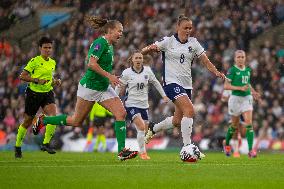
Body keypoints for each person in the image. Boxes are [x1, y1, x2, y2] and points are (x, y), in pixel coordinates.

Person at [32, 16, 138, 160]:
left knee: (121, 113)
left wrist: (111, 77)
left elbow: (102, 66)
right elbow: (91, 64)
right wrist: (109, 76)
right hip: (90, 87)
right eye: (119, 31)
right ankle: (44, 121)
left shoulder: (110, 46)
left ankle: (121, 151)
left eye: (122, 32)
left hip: (103, 88)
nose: (121, 34)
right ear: (110, 30)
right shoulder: (100, 43)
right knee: (76, 121)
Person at [141, 15, 225, 160]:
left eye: (190, 28)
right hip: (171, 83)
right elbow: (144, 50)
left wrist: (216, 71)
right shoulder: (168, 41)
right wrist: (149, 49)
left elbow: (206, 61)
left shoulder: (194, 43)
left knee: (176, 121)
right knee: (190, 110)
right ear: (178, 27)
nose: (188, 30)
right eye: (185, 27)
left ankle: (153, 128)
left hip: (187, 86)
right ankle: (187, 147)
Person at [115, 52, 169, 160]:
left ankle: (142, 151)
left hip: (144, 105)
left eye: (140, 58)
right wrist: (114, 99)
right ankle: (143, 153)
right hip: (131, 104)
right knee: (141, 127)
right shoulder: (127, 73)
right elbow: (119, 86)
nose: (139, 60)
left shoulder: (148, 71)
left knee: (143, 130)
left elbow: (156, 83)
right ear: (132, 60)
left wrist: (164, 96)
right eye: (136, 58)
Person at [15, 36, 61, 158]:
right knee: (27, 121)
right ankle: (18, 146)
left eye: (50, 48)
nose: (48, 50)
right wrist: (36, 80)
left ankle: (46, 143)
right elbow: (22, 76)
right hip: (33, 94)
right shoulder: (34, 61)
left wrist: (55, 82)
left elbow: (48, 80)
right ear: (40, 48)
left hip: (47, 93)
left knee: (53, 116)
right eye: (45, 47)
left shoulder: (52, 62)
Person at [223, 50, 260, 158]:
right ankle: (227, 144)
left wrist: (253, 92)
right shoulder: (232, 70)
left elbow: (247, 83)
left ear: (245, 58)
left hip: (246, 98)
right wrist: (240, 88)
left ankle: (250, 150)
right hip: (235, 99)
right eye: (238, 57)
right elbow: (226, 86)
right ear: (235, 58)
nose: (240, 59)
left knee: (249, 124)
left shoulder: (248, 70)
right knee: (234, 126)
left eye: (242, 57)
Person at [221, 89, 243, 158]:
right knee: (235, 128)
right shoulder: (229, 86)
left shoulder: (240, 84)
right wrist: (230, 98)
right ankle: (234, 150)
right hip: (232, 109)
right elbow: (223, 98)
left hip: (241, 110)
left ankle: (228, 145)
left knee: (237, 129)